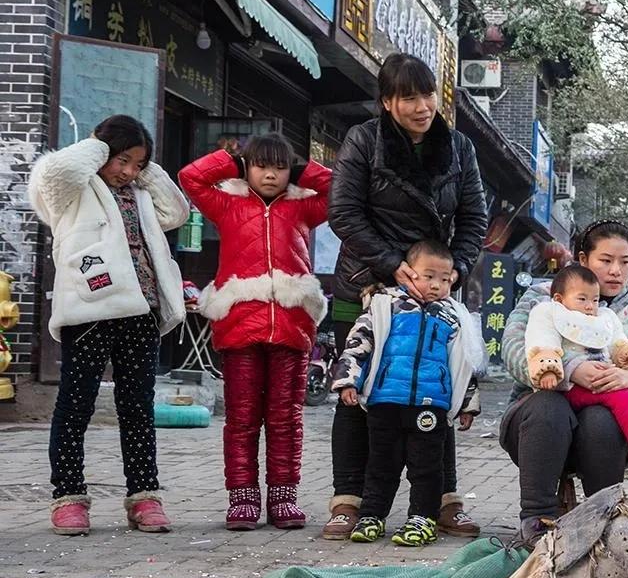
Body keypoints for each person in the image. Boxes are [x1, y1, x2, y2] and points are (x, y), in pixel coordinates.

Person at [323, 53, 487, 541]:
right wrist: (395, 265)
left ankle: (442, 500)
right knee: (357, 391)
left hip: (436, 286)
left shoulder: (459, 147)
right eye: (409, 97)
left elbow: (475, 217)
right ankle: (349, 502)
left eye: (428, 94)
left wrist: (452, 269)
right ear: (388, 102)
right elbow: (345, 214)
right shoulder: (364, 141)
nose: (422, 106)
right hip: (369, 283)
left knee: (441, 388)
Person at [28, 115, 190, 535]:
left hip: (142, 310)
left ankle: (144, 497)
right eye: (124, 161)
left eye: (138, 164)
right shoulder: (72, 190)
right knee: (76, 404)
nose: (129, 171)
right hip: (89, 311)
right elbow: (56, 171)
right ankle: (68, 497)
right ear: (101, 151)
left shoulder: (138, 190)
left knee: (137, 407)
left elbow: (176, 211)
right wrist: (101, 147)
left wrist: (146, 167)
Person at [179, 133, 331, 531]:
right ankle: (242, 497)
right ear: (247, 168)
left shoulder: (303, 209)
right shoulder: (226, 203)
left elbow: (340, 188)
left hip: (292, 324)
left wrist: (302, 168)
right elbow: (191, 178)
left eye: (281, 167)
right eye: (262, 165)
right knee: (243, 418)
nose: (271, 174)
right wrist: (230, 160)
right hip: (239, 324)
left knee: (286, 418)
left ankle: (284, 496)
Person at [500, 221, 628, 542]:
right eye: (605, 260)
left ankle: (603, 519)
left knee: (601, 418)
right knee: (549, 405)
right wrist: (569, 370)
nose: (616, 271)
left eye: (625, 261)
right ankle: (537, 521)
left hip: (605, 438)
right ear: (583, 259)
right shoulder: (543, 298)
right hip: (534, 428)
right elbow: (511, 350)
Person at [330, 240, 481, 547]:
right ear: (408, 273)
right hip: (385, 401)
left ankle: (423, 518)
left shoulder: (453, 316)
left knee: (427, 467)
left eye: (444, 278)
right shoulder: (385, 306)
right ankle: (372, 514)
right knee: (381, 463)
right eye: (428, 276)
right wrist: (348, 381)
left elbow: (466, 363)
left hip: (432, 406)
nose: (436, 285)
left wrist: (468, 404)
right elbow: (358, 344)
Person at [526, 264, 628, 467]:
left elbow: (616, 342)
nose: (589, 306)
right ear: (559, 299)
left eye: (594, 300)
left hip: (599, 380)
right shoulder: (548, 312)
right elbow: (542, 340)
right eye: (582, 299)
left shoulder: (604, 318)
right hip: (568, 388)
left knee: (626, 395)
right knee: (622, 397)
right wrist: (548, 367)